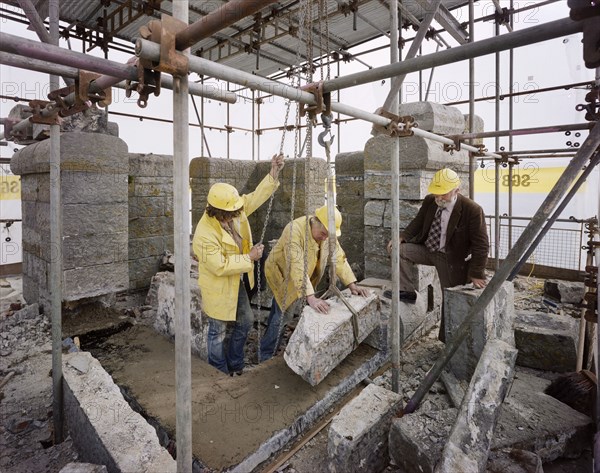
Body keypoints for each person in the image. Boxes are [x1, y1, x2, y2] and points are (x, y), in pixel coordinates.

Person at [193, 154, 285, 375]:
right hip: (218, 284)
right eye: (233, 212)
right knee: (217, 330)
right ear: (219, 211)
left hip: (237, 281)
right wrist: (250, 258)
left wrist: (274, 172)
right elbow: (219, 266)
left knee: (245, 321)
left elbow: (254, 198)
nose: (238, 213)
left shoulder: (233, 209)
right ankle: (219, 370)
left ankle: (235, 363)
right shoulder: (204, 234)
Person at [385, 168, 489, 340]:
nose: (439, 198)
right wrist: (401, 237)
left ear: (457, 190)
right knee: (398, 251)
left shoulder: (472, 210)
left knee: (450, 298)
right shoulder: (430, 201)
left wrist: (477, 273)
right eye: (436, 194)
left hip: (451, 258)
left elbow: (481, 245)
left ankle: (448, 339)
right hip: (428, 249)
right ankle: (406, 291)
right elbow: (417, 222)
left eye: (443, 194)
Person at [259, 205, 369, 361]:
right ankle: (266, 355)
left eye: (328, 235)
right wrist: (311, 297)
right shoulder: (294, 231)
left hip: (304, 274)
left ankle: (269, 342)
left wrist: (351, 284)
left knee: (278, 310)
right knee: (284, 313)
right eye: (323, 234)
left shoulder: (326, 233)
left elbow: (338, 257)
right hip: (284, 273)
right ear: (315, 222)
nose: (325, 238)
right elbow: (296, 266)